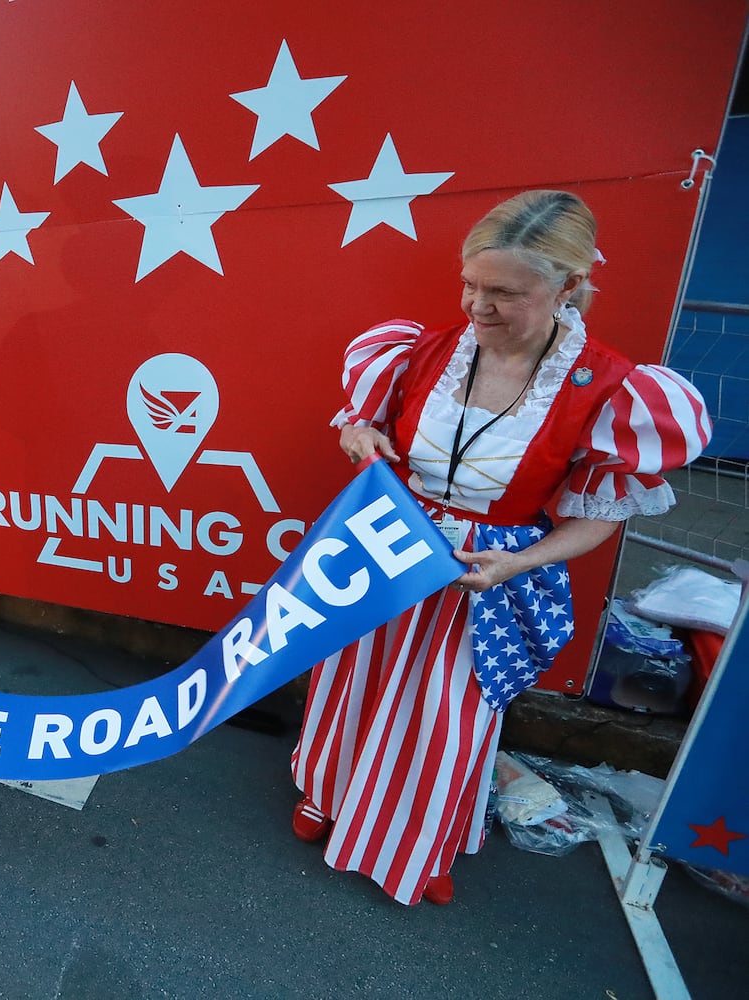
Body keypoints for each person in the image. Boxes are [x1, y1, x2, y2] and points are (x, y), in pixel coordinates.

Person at [288, 190, 711, 907]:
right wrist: (360, 437)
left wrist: (521, 562)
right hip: (392, 544)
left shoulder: (607, 389)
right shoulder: (420, 352)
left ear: (568, 286)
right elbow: (361, 422)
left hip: (487, 571)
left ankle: (413, 843)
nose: (477, 307)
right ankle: (328, 794)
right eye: (471, 285)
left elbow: (600, 514)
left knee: (450, 713)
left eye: (504, 293)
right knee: (356, 676)